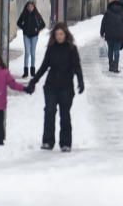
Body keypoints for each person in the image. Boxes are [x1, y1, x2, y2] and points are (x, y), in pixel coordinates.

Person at [26, 23, 84, 152]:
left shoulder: (71, 49)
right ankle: (48, 141)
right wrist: (33, 81)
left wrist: (80, 81)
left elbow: (77, 66)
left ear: (66, 35)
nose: (59, 36)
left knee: (65, 115)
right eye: (57, 34)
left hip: (66, 87)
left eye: (61, 34)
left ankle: (65, 143)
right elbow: (44, 66)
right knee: (49, 112)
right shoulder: (51, 49)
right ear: (54, 35)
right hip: (51, 86)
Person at [16, 1, 46, 78]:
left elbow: (43, 24)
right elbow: (18, 23)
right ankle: (25, 72)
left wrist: (37, 29)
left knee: (32, 53)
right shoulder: (24, 14)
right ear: (26, 7)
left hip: (34, 36)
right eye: (28, 6)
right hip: (26, 36)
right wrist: (24, 28)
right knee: (27, 53)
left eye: (31, 6)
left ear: (34, 7)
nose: (30, 8)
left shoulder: (37, 15)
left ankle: (32, 72)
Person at [100, 0, 123, 73]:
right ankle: (115, 67)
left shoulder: (108, 12)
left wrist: (102, 32)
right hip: (119, 35)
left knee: (110, 50)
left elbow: (103, 23)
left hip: (109, 34)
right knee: (116, 50)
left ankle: (110, 66)